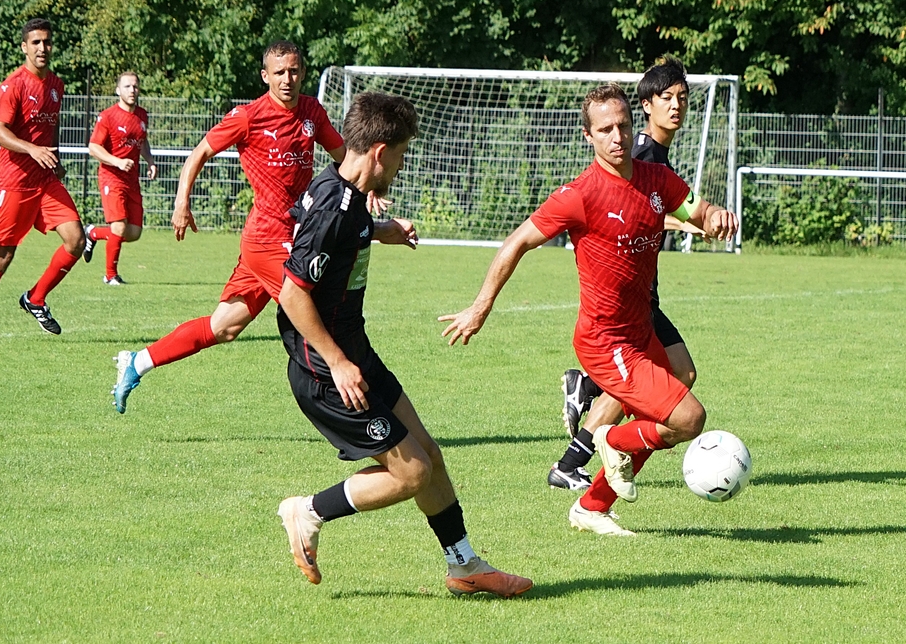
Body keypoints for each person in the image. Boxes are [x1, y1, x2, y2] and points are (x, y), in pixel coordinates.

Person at [440, 84, 737, 536]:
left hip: (640, 332)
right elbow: (517, 242)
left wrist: (715, 216)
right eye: (605, 129)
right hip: (605, 341)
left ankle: (592, 506)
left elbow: (697, 209)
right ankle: (608, 438)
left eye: (623, 126)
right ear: (588, 136)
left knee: (676, 385)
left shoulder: (657, 179)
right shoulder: (579, 195)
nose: (617, 137)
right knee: (688, 418)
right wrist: (480, 307)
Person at [276, 91, 532, 597]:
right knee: (413, 472)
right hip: (327, 371)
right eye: (400, 153)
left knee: (429, 454)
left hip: (356, 354)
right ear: (379, 152)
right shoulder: (332, 206)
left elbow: (340, 233)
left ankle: (464, 565)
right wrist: (337, 362)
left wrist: (381, 230)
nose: (401, 164)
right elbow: (291, 294)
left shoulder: (343, 192)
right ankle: (307, 511)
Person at [109, 41, 345, 412]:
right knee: (315, 311)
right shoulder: (248, 116)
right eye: (279, 73)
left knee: (224, 327)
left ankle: (137, 362)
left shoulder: (312, 111)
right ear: (265, 76)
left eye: (293, 71)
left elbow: (343, 157)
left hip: (291, 234)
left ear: (302, 73)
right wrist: (182, 202)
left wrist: (367, 190)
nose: (287, 79)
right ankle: (349, 398)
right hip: (267, 238)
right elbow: (199, 153)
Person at [548, 56, 704, 492]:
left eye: (682, 97)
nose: (676, 106)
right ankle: (598, 435)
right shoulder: (638, 154)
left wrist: (699, 217)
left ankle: (575, 457)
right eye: (666, 98)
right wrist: (684, 222)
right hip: (628, 302)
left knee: (675, 375)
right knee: (671, 378)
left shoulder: (657, 157)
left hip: (641, 296)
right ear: (646, 106)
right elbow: (630, 211)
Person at [0, 18, 85, 342]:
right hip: (13, 180)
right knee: (4, 254)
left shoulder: (56, 85)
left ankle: (36, 298)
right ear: (25, 47)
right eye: (36, 42)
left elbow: (51, 127)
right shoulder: (13, 85)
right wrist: (33, 149)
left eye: (47, 42)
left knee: (76, 240)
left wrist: (55, 158)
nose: (43, 48)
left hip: (44, 180)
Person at [83, 71, 157, 285]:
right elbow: (93, 147)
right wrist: (117, 161)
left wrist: (150, 161)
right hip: (111, 177)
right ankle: (110, 275)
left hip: (132, 180)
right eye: (127, 86)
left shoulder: (142, 115)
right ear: (118, 90)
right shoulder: (108, 116)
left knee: (134, 232)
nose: (132, 90)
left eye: (135, 86)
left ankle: (93, 233)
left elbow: (142, 141)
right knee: (119, 227)